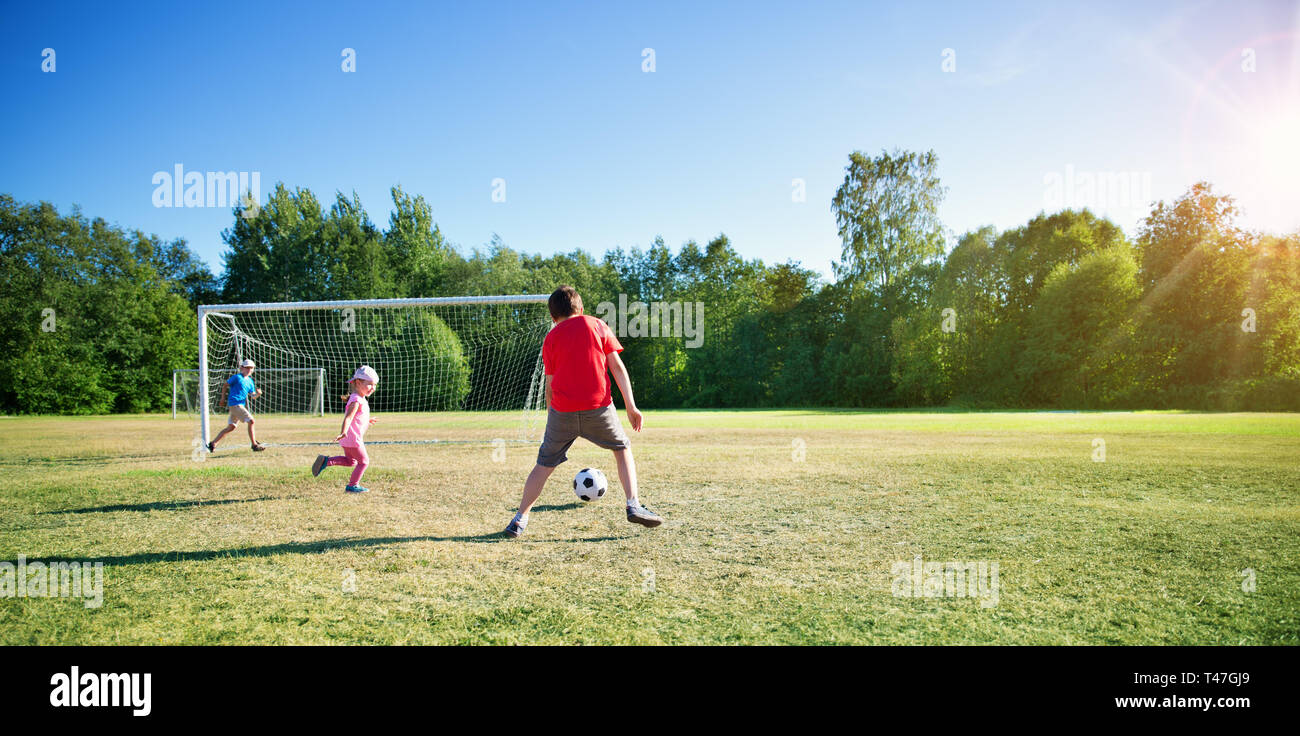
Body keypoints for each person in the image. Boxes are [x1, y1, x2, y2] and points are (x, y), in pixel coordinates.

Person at [504, 286, 664, 538]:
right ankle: (633, 504)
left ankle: (519, 519)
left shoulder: (551, 337)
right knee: (621, 449)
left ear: (553, 317)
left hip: (561, 411)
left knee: (543, 465)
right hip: (597, 407)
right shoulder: (597, 325)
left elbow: (550, 382)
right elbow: (617, 367)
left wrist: (552, 417)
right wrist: (631, 406)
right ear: (581, 308)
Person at [312, 366, 378, 493]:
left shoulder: (358, 398)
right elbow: (348, 418)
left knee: (350, 461)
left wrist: (367, 421)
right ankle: (352, 485)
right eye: (370, 384)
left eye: (374, 385)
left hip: (348, 439)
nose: (373, 388)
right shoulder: (357, 400)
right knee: (364, 462)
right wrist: (343, 432)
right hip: (352, 439)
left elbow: (356, 418)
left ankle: (326, 461)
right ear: (358, 383)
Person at [207, 359, 265, 452]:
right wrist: (223, 398)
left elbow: (253, 396)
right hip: (235, 404)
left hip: (239, 405)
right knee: (251, 421)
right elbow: (225, 385)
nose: (249, 370)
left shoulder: (250, 381)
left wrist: (258, 394)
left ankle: (213, 443)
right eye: (247, 368)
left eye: (251, 368)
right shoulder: (237, 377)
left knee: (231, 427)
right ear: (242, 368)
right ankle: (254, 445)